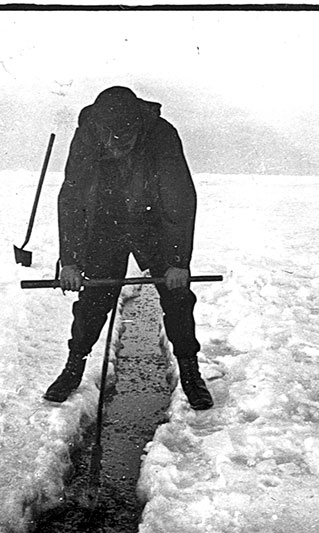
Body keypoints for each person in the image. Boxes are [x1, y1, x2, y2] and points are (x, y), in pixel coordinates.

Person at [44, 86, 213, 411]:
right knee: (94, 298)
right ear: (100, 129)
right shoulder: (87, 134)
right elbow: (73, 198)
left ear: (138, 125)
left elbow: (179, 197)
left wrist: (178, 262)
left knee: (177, 297)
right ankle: (73, 368)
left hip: (154, 223)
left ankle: (191, 375)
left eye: (126, 134)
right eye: (112, 135)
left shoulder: (162, 134)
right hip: (106, 223)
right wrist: (70, 261)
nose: (118, 142)